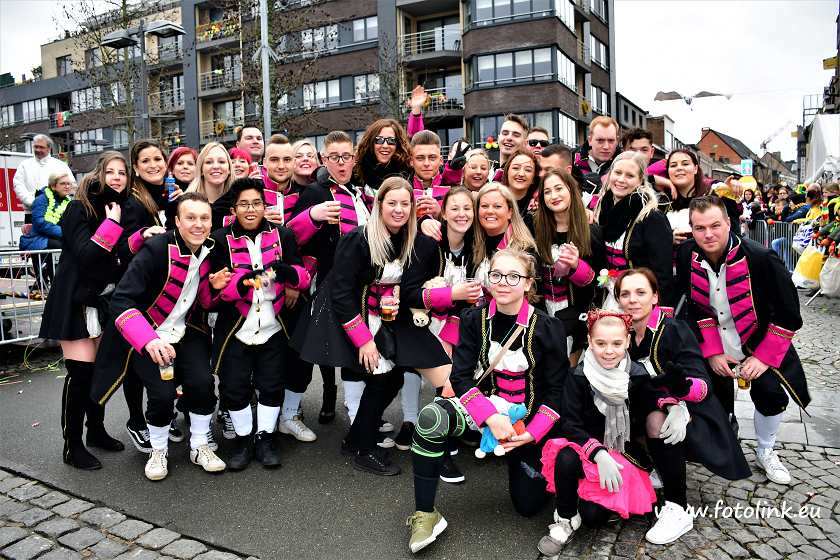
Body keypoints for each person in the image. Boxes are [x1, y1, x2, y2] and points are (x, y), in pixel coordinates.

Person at [406, 248, 568, 553]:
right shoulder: (473, 319)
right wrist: (490, 417)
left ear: (528, 283)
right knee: (431, 418)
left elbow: (557, 391)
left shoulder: (549, 327)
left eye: (513, 276)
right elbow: (460, 378)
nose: (503, 282)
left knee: (528, 505)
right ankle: (426, 514)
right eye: (496, 275)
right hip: (486, 412)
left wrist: (531, 434)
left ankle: (522, 460)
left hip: (527, 423)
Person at [296, 178, 445, 476]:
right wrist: (363, 340)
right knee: (381, 378)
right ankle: (364, 451)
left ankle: (355, 439)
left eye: (405, 204)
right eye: (392, 203)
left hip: (385, 317)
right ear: (379, 205)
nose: (399, 210)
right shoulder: (358, 239)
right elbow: (341, 293)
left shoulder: (409, 239)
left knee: (393, 377)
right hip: (351, 315)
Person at [676, 196, 810, 485]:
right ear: (691, 229)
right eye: (700, 228)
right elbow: (697, 308)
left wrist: (763, 358)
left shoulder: (762, 257)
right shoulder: (686, 254)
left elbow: (789, 314)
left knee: (771, 395)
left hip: (758, 341)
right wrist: (712, 352)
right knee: (709, 395)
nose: (708, 234)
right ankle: (718, 443)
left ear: (728, 223)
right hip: (714, 341)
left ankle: (766, 450)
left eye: (715, 225)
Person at [92, 193, 225, 481]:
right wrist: (149, 340)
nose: (198, 224)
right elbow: (121, 300)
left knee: (203, 384)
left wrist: (216, 288)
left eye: (204, 218)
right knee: (162, 396)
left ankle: (199, 445)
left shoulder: (211, 249)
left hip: (187, 332)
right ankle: (158, 450)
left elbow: (204, 299)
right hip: (150, 333)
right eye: (191, 217)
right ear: (177, 221)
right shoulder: (155, 249)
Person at [538, 310, 690, 553]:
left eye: (617, 344)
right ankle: (565, 519)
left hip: (622, 451)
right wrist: (598, 453)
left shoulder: (636, 374)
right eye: (601, 343)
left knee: (592, 517)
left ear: (627, 341)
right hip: (586, 446)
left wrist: (675, 403)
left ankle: (591, 499)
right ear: (590, 342)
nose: (609, 351)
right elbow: (570, 423)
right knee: (565, 459)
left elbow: (652, 400)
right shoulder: (577, 376)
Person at [209, 178, 312, 470]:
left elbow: (302, 276)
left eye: (256, 203)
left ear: (265, 206)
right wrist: (243, 283)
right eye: (244, 204)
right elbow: (217, 291)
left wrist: (287, 273)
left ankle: (265, 438)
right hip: (236, 328)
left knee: (271, 384)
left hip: (273, 325)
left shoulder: (283, 235)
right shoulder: (219, 239)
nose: (251, 209)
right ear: (234, 209)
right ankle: (243, 441)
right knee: (234, 386)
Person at [616, 268, 750, 482]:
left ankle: (675, 495)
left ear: (655, 297)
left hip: (690, 409)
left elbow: (703, 384)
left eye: (641, 292)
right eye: (625, 294)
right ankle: (648, 462)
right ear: (618, 300)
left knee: (657, 421)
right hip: (645, 404)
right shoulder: (620, 334)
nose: (632, 300)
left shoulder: (675, 330)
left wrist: (682, 389)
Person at [40, 151, 130, 470]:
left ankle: (96, 430)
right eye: (111, 171)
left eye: (122, 172)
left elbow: (117, 259)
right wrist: (112, 224)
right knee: (80, 375)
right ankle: (72, 445)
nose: (117, 177)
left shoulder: (120, 208)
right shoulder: (77, 208)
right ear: (99, 174)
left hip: (101, 302)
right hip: (74, 303)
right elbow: (86, 254)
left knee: (98, 371)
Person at [397, 186, 481, 481]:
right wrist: (450, 294)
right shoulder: (426, 243)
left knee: (457, 374)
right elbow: (409, 294)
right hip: (419, 324)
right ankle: (435, 446)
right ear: (443, 212)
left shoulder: (476, 246)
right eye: (454, 208)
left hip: (457, 324)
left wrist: (454, 326)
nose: (462, 214)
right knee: (446, 379)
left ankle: (446, 432)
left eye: (467, 208)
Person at [292, 131, 368, 425]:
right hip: (327, 278)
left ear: (354, 159)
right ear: (324, 159)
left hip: (360, 281)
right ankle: (328, 392)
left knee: (353, 344)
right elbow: (292, 237)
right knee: (327, 342)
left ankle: (357, 410)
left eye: (346, 156)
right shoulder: (315, 192)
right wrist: (314, 215)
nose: (341, 162)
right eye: (334, 157)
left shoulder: (359, 192)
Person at [531, 169, 602, 364]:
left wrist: (577, 267)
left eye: (559, 188)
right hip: (540, 311)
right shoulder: (534, 226)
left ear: (571, 190)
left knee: (568, 369)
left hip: (575, 315)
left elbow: (600, 282)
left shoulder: (591, 231)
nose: (554, 196)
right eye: (547, 192)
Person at [594, 151, 674, 307]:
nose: (621, 179)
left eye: (630, 176)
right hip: (608, 296)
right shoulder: (602, 208)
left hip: (639, 302)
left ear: (640, 180)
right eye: (617, 173)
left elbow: (663, 274)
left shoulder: (652, 217)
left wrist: (657, 310)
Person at [19, 171, 73, 294]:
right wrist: (65, 233)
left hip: (56, 238)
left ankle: (59, 286)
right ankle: (51, 287)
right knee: (61, 247)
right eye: (63, 184)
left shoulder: (69, 201)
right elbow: (40, 223)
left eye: (68, 184)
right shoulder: (41, 199)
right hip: (38, 239)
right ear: (53, 186)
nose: (67, 186)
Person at [409, 130, 466, 218]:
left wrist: (440, 214)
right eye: (420, 158)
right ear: (411, 162)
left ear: (441, 161)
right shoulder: (402, 189)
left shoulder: (454, 190)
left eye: (432, 158)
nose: (426, 163)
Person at [13, 134, 74, 214]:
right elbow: (18, 186)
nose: (38, 150)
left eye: (41, 147)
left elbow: (72, 186)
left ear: (49, 148)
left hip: (57, 213)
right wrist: (32, 202)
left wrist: (60, 204)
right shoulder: (24, 165)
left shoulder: (60, 165)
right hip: (32, 212)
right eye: (36, 147)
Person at [354, 118, 412, 196]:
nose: (385, 145)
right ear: (371, 142)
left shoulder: (408, 172)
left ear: (398, 144)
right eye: (379, 140)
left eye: (391, 140)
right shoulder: (357, 172)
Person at [664, 149, 710, 245]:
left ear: (695, 169)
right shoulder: (661, 202)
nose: (679, 168)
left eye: (685, 164)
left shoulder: (711, 197)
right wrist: (667, 239)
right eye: (673, 165)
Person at [188, 142, 235, 231]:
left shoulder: (238, 203)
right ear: (201, 170)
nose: (216, 166)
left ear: (229, 169)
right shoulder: (186, 203)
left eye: (221, 162)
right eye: (209, 162)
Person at [620, 128, 676, 198]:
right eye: (633, 150)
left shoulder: (668, 181)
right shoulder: (612, 179)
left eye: (644, 150)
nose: (639, 155)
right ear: (623, 153)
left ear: (652, 152)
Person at [573, 116, 619, 194]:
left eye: (611, 140)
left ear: (617, 141)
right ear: (590, 140)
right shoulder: (570, 159)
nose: (606, 146)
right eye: (600, 140)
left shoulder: (625, 163)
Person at [489, 114, 530, 181]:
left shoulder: (525, 179)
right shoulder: (487, 174)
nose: (509, 138)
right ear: (498, 138)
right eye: (505, 133)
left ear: (525, 143)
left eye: (516, 135)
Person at [500, 147, 540, 216]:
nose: (521, 174)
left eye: (528, 170)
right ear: (507, 172)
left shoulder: (539, 206)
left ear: (534, 178)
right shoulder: (494, 199)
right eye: (516, 168)